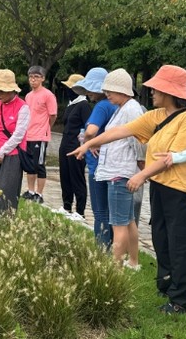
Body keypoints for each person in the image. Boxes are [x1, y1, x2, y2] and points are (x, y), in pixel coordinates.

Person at [70, 65, 186, 315]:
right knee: (161, 238)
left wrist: (141, 174)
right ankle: (166, 286)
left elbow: (172, 157)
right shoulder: (157, 115)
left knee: (181, 244)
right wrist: (89, 143)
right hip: (161, 186)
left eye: (156, 89)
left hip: (184, 190)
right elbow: (121, 131)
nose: (151, 92)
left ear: (169, 92)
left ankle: (180, 302)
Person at [94, 68, 145, 269]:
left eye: (111, 90)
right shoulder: (123, 107)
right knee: (128, 220)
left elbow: (139, 140)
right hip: (118, 170)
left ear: (123, 89)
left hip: (120, 172)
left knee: (118, 224)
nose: (107, 94)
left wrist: (141, 164)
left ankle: (115, 268)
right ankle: (133, 261)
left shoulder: (131, 109)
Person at [72, 67, 117, 248]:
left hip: (97, 165)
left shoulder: (101, 106)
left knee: (100, 212)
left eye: (91, 88)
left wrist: (88, 142)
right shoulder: (115, 106)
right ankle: (111, 247)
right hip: (110, 162)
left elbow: (91, 131)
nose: (89, 92)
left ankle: (101, 249)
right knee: (110, 211)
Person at [0, 69, 30, 213]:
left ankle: (5, 219)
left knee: (2, 193)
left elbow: (18, 135)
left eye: (2, 91)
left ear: (12, 90)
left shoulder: (23, 107)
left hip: (12, 154)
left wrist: (2, 152)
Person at [21, 66, 57, 204]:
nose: (33, 80)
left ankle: (39, 193)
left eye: (36, 77)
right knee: (29, 165)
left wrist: (47, 127)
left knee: (39, 164)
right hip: (28, 134)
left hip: (40, 135)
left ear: (42, 78)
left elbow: (52, 115)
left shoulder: (48, 95)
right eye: (31, 77)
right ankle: (30, 190)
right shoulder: (28, 96)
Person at [58, 73, 91, 219]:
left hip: (76, 146)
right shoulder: (71, 104)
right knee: (65, 176)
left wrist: (84, 145)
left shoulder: (84, 105)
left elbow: (88, 128)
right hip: (65, 143)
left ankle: (80, 210)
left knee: (77, 177)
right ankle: (67, 205)